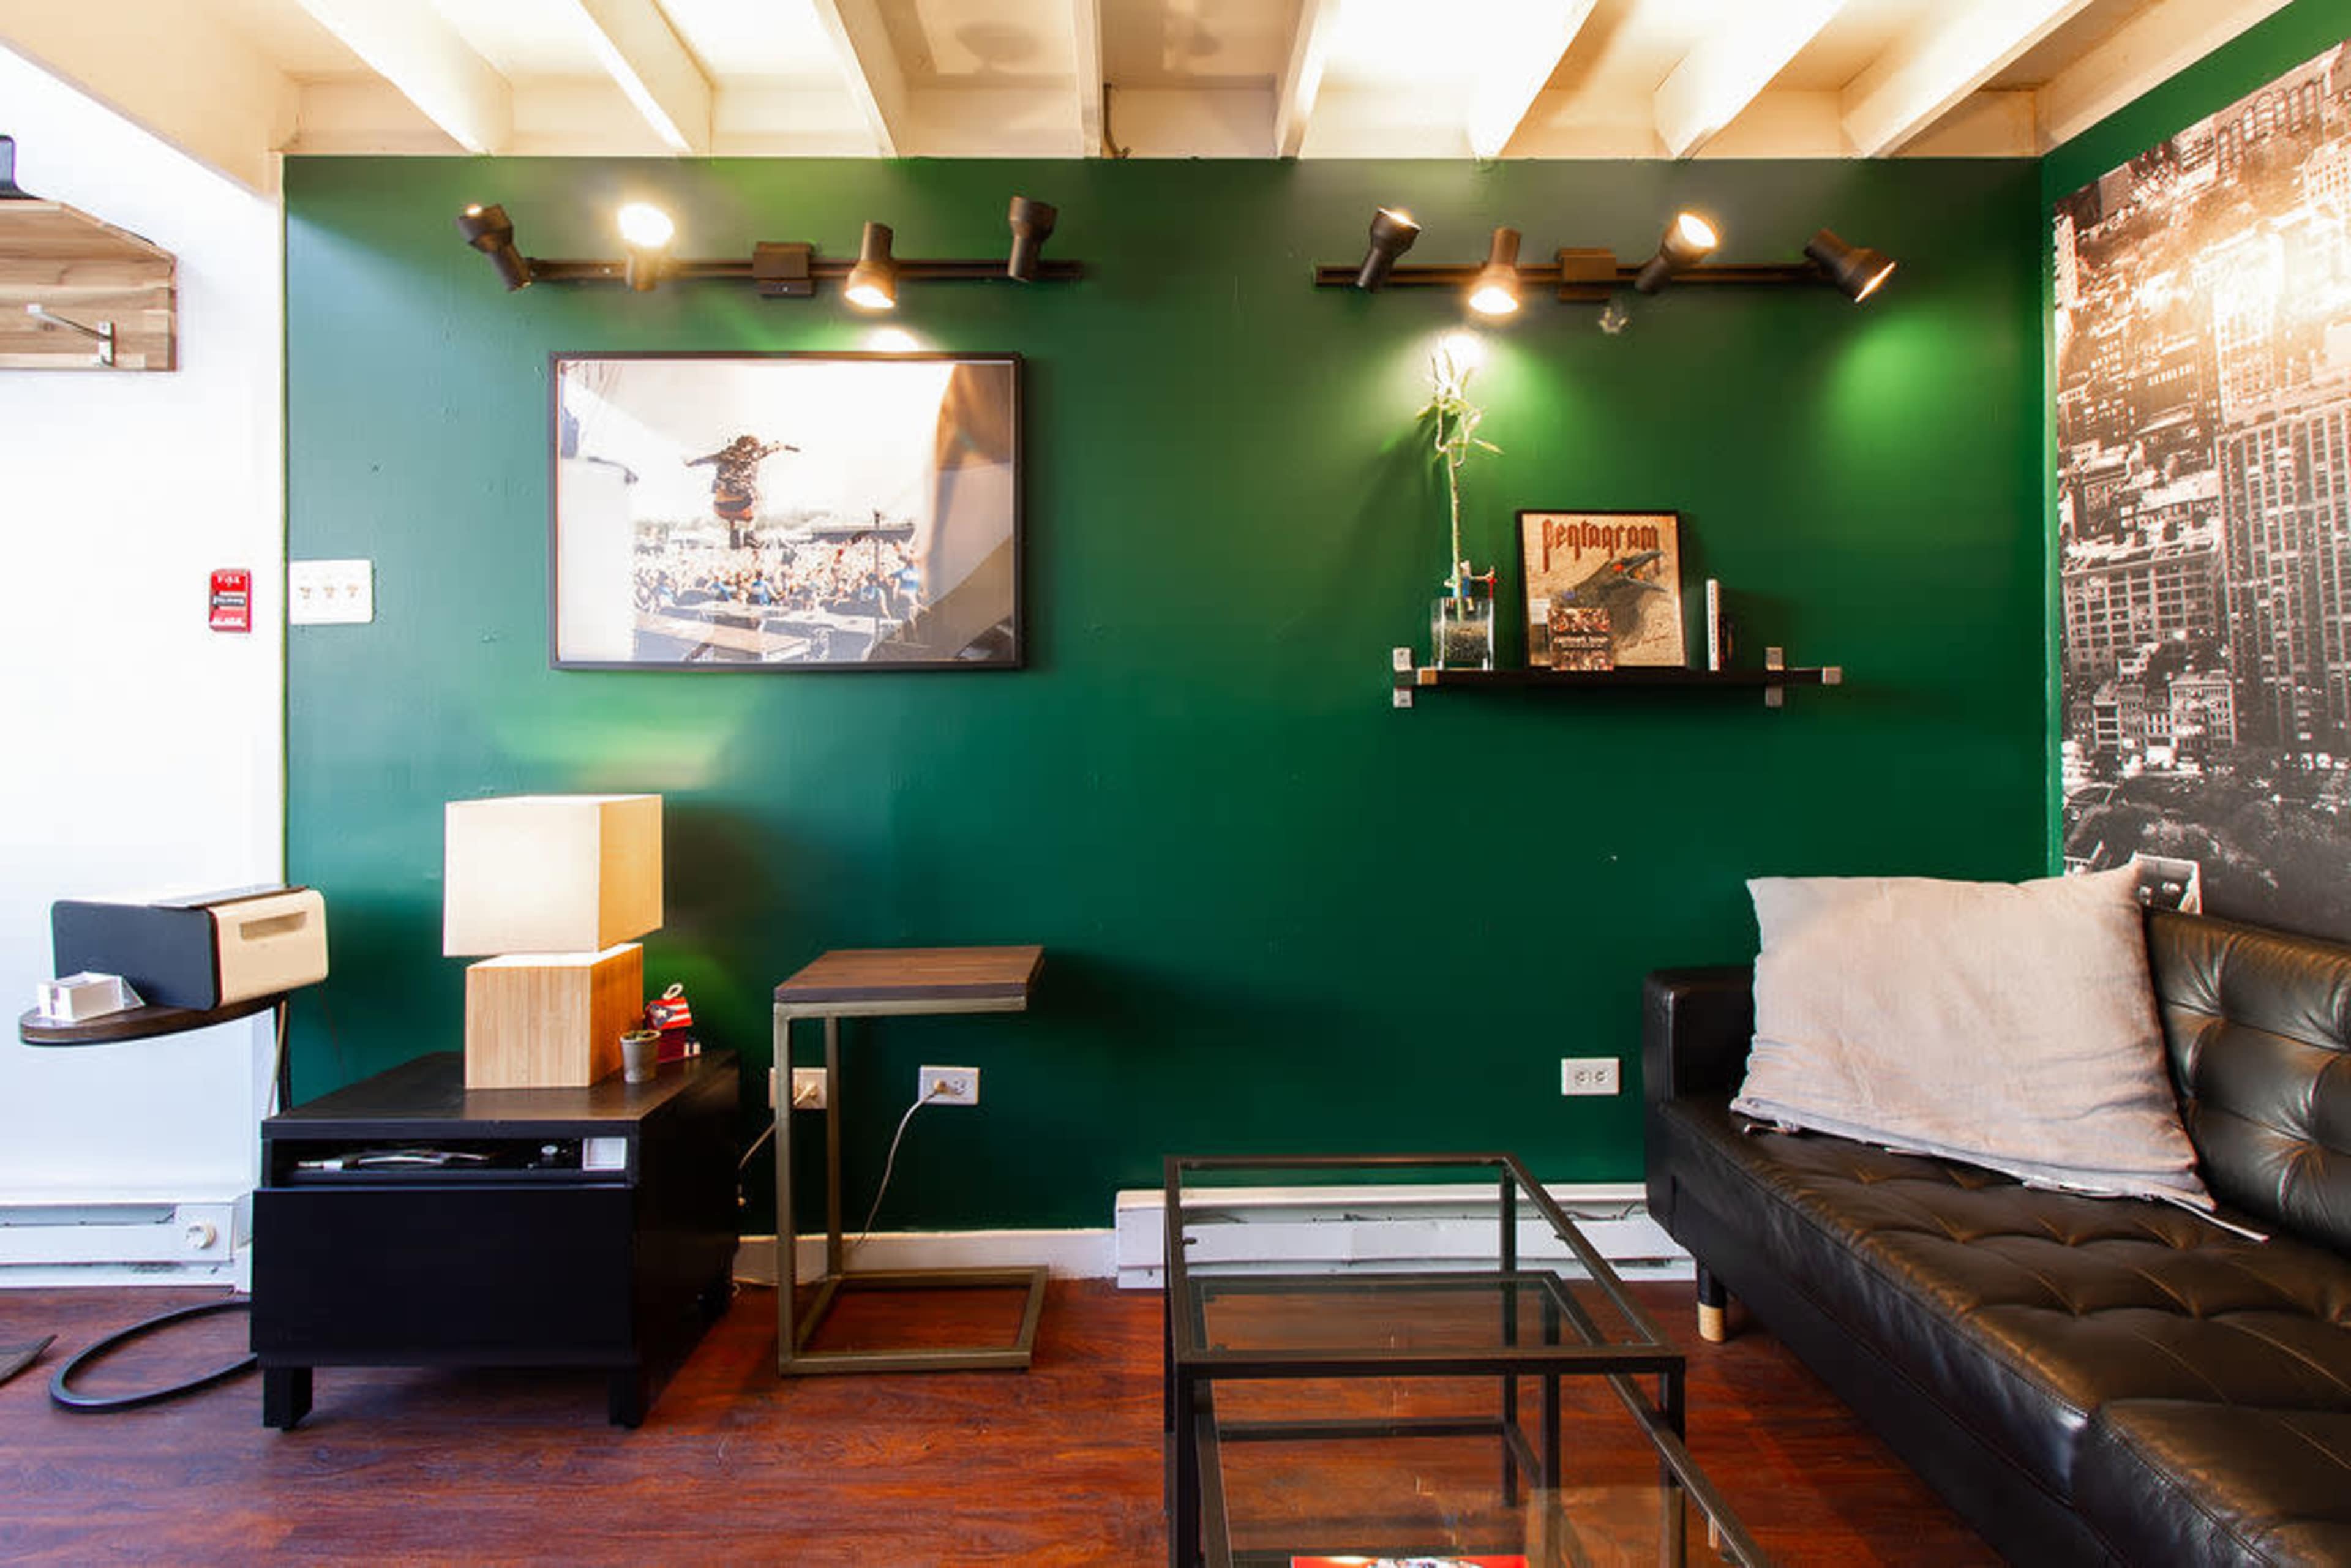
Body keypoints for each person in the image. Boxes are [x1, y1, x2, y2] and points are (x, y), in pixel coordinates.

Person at [684, 434, 796, 550]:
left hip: (720, 507)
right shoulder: (754, 454)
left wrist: (689, 463)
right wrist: (789, 447)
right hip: (743, 504)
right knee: (758, 498)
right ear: (752, 446)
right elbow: (772, 447)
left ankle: (734, 536)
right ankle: (749, 534)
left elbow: (702, 461)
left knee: (729, 493)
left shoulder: (722, 456)